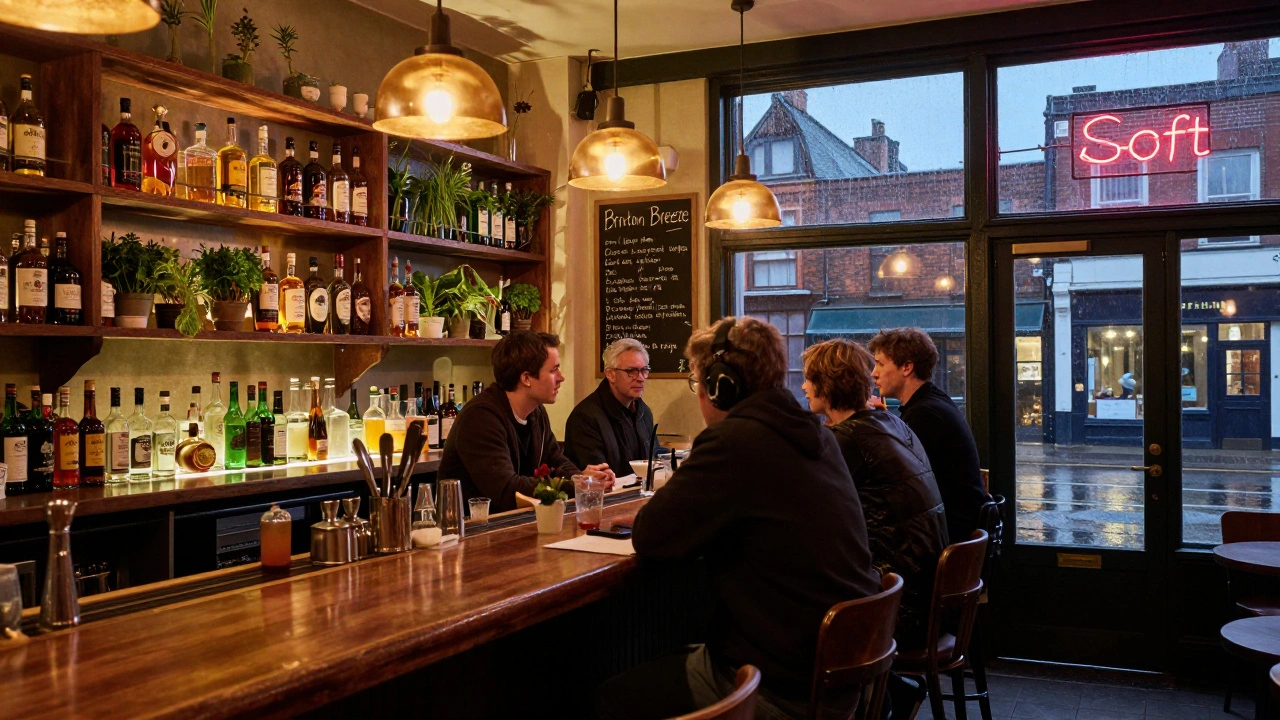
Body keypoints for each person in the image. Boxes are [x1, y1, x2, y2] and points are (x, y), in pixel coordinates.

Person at [596, 317, 880, 720]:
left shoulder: (734, 441)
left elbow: (651, 536)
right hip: (839, 674)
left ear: (721, 385)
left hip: (780, 685)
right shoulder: (817, 434)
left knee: (608, 698)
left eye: (698, 381)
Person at [801, 338, 948, 647]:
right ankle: (889, 692)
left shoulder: (847, 440)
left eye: (809, 379)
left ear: (827, 385)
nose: (803, 387)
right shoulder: (893, 423)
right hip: (923, 594)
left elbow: (803, 511)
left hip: (897, 608)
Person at [438, 330, 613, 513]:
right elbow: (507, 490)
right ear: (526, 378)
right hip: (472, 531)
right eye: (553, 370)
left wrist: (583, 479)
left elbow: (557, 460)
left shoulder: (536, 412)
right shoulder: (481, 417)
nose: (561, 377)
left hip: (515, 523)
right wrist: (576, 486)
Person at [869, 328, 987, 545]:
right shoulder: (931, 403)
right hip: (955, 529)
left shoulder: (926, 415)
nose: (873, 373)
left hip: (945, 538)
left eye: (880, 364)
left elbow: (899, 483)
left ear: (907, 367)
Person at [564, 338, 656, 477]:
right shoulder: (585, 418)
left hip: (641, 495)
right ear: (610, 374)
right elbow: (597, 477)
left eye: (644, 370)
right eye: (631, 371)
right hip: (606, 496)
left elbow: (654, 457)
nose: (641, 378)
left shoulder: (643, 412)